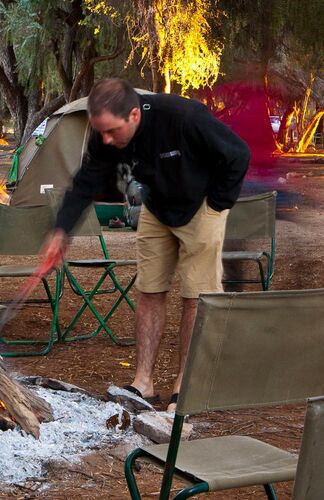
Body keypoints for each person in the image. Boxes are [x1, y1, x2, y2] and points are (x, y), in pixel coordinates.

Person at [41, 78, 250, 411]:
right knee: (149, 289)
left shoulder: (183, 118)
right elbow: (86, 181)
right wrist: (61, 230)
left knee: (196, 296)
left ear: (134, 115)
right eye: (102, 132)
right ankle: (143, 383)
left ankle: (185, 386)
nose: (107, 140)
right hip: (156, 208)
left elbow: (238, 154)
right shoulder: (106, 136)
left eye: (113, 131)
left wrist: (217, 204)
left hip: (200, 206)